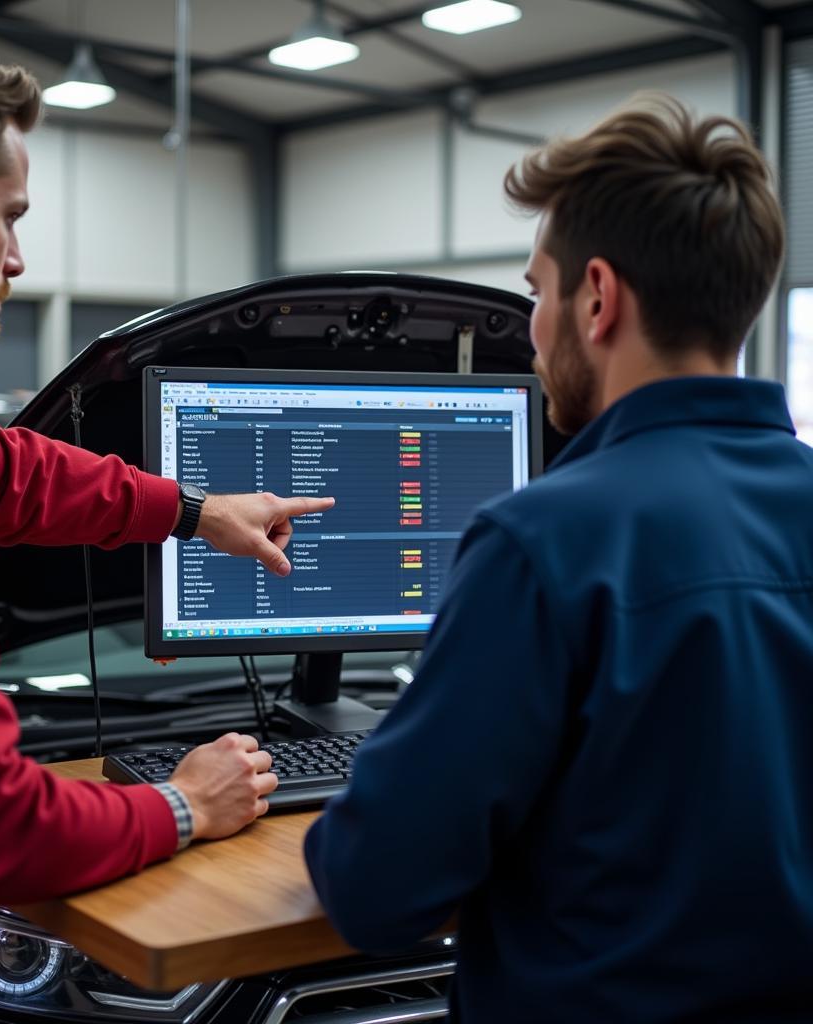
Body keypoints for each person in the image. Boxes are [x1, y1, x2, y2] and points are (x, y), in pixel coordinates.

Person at [0, 25, 333, 1022]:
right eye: (12, 215)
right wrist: (184, 803)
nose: (18, 257)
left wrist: (197, 510)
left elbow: (11, 469)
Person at [305, 95, 813, 1022]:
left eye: (537, 291)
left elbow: (378, 890)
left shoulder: (543, 544)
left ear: (598, 298)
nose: (530, 329)